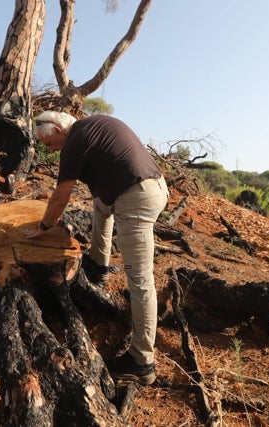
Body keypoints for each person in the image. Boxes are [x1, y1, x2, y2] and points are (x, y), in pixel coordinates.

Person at [24, 110, 168, 385]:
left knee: (140, 281)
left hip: (136, 199)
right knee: (101, 204)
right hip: (152, 185)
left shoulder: (73, 144)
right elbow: (105, 177)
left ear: (55, 131)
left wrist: (44, 228)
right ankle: (98, 264)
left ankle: (142, 362)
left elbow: (61, 195)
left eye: (48, 144)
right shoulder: (92, 126)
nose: (51, 151)